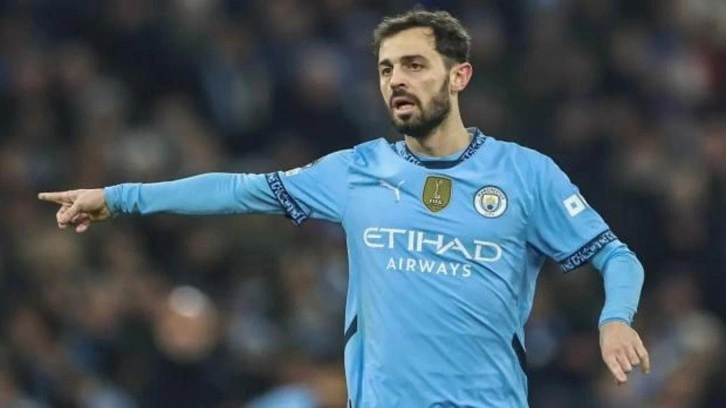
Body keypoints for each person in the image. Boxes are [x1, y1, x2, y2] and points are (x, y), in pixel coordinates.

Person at [38, 9, 650, 407]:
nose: (395, 80)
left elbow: (616, 257)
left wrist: (615, 318)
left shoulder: (525, 173)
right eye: (386, 69)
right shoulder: (357, 171)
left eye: (414, 65)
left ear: (459, 76)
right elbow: (239, 189)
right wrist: (119, 197)